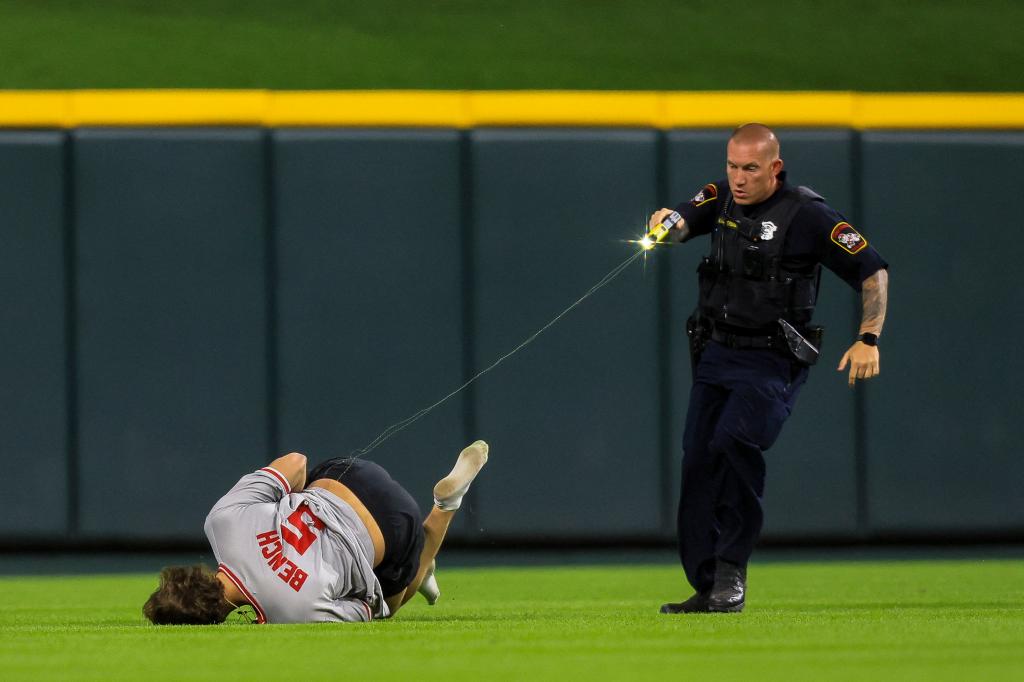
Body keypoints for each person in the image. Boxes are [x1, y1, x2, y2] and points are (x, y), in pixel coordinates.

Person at [651, 123, 889, 614]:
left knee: (734, 442)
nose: (738, 178)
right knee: (698, 458)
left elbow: (872, 268)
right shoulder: (720, 198)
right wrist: (665, 225)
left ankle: (731, 572)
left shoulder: (808, 215)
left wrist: (868, 338)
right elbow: (680, 223)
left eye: (751, 168)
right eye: (733, 166)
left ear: (775, 168)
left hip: (770, 357)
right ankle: (707, 581)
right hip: (716, 352)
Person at [143, 440, 489, 624]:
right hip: (348, 474)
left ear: (214, 619)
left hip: (397, 524)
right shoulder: (221, 521)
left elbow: (368, 609)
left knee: (391, 599)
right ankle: (424, 565)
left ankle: (445, 506)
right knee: (298, 491)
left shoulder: (292, 613)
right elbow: (296, 461)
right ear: (189, 575)